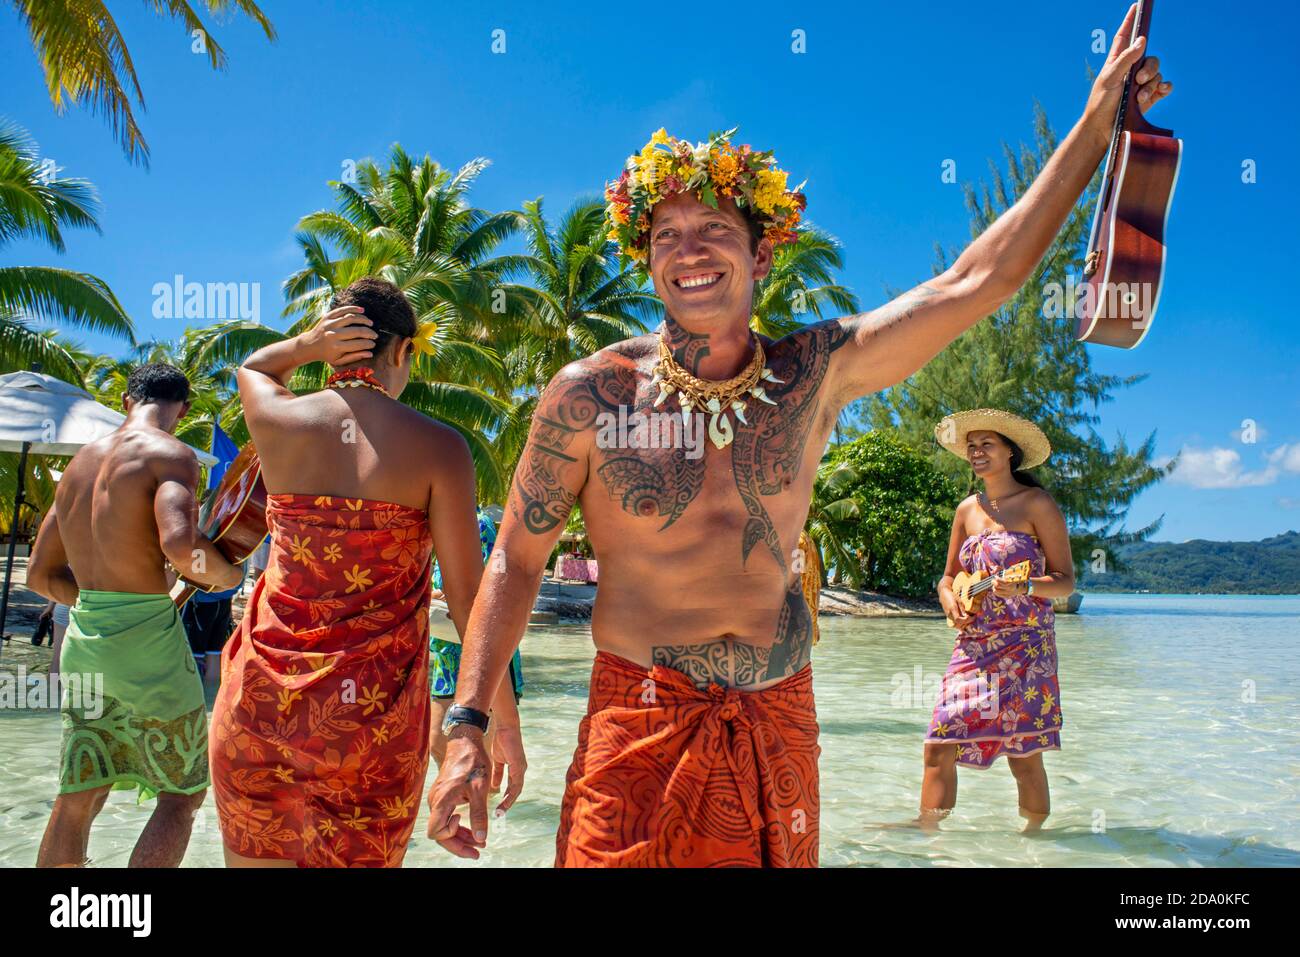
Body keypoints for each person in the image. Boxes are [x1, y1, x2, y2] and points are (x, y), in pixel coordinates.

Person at [426, 8, 1171, 867]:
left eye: (714, 231)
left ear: (762, 256)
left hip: (779, 718)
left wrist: (1094, 123)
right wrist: (469, 725)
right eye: (667, 234)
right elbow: (516, 563)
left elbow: (980, 278)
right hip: (637, 722)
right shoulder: (590, 396)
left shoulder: (813, 376)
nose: (689, 249)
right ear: (648, 260)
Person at [209, 277, 496, 868]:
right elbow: (471, 605)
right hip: (370, 724)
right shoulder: (439, 448)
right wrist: (493, 722)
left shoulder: (279, 421)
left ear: (335, 344)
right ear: (401, 352)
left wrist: (308, 345)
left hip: (258, 705)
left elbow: (255, 366)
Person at [26, 363, 244, 867]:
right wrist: (227, 579)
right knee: (182, 792)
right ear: (183, 409)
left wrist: (99, 602)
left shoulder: (78, 466)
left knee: (81, 788)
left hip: (85, 638)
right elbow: (180, 543)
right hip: (147, 642)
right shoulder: (173, 455)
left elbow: (39, 575)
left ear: (126, 399)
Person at [921, 410, 1074, 833]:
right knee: (939, 741)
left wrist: (1025, 588)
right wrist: (948, 598)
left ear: (1010, 451)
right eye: (971, 446)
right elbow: (949, 576)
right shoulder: (966, 509)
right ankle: (927, 835)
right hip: (973, 644)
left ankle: (1034, 841)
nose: (976, 452)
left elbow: (1064, 581)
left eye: (987, 443)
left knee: (1025, 755)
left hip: (1027, 646)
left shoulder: (1037, 504)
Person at [428, 507, 523, 779]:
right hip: (446, 654)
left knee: (481, 759)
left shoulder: (479, 524)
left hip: (479, 653)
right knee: (437, 744)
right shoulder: (433, 523)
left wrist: (451, 595)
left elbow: (496, 583)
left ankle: (493, 818)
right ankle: (462, 811)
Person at [180, 570, 243, 688]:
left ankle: (195, 695)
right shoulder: (236, 550)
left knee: (193, 654)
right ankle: (210, 697)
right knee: (214, 652)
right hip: (225, 598)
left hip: (200, 600)